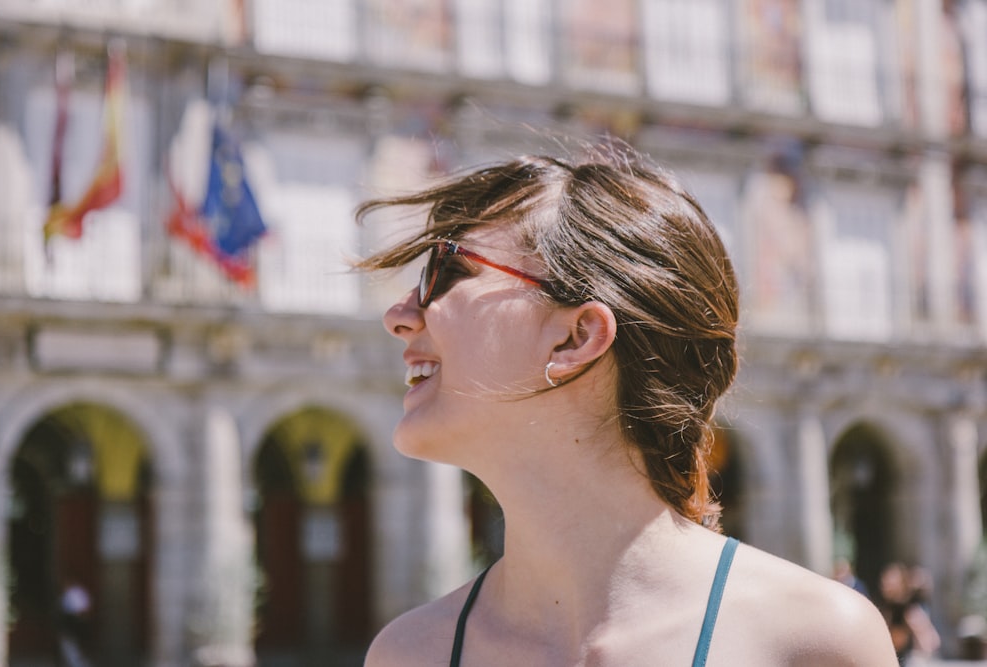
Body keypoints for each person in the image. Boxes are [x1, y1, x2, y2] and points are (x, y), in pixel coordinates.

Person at [357, 144, 897, 666]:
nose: (400, 314)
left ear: (576, 338)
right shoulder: (405, 655)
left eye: (446, 272)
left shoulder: (817, 644)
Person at [878, 562, 940, 665]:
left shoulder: (908, 609)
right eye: (884, 580)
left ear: (901, 583)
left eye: (890, 581)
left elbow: (931, 640)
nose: (885, 584)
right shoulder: (886, 607)